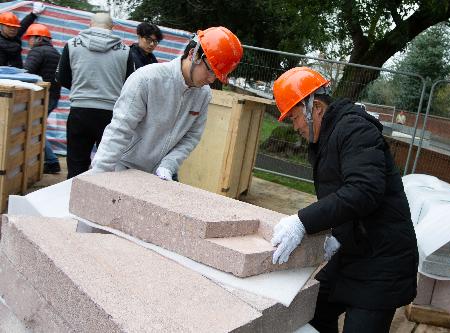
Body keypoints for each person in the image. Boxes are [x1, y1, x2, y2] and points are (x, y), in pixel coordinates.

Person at [270, 67, 418, 333]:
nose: (295, 127)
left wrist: (303, 221)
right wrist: (339, 233)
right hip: (355, 251)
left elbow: (363, 191)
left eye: (294, 118)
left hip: (382, 264)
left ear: (315, 108)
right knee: (310, 309)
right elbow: (343, 195)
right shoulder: (327, 137)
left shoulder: (354, 129)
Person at [90, 27, 243, 181]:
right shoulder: (147, 79)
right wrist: (99, 174)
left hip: (161, 172)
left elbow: (191, 136)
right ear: (193, 54)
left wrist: (168, 165)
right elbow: (120, 128)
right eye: (210, 70)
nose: (211, 80)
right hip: (125, 166)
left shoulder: (203, 95)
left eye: (216, 76)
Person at [56, 12, 134, 179]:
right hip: (110, 114)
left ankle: (72, 200)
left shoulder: (71, 45)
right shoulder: (125, 51)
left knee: (76, 162)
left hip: (79, 111)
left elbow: (62, 78)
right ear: (112, 28)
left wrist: (81, 89)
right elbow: (130, 84)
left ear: (90, 25)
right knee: (107, 166)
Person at [23, 23, 62, 174]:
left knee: (35, 128)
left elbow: (27, 73)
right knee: (38, 127)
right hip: (53, 96)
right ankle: (49, 161)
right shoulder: (55, 53)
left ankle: (52, 162)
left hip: (40, 96)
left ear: (39, 38)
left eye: (30, 38)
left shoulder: (37, 51)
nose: (29, 41)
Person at [0, 2, 45, 68]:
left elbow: (24, 25)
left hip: (18, 75)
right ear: (1, 26)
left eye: (15, 27)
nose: (13, 29)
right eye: (8, 26)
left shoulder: (14, 36)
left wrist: (34, 14)